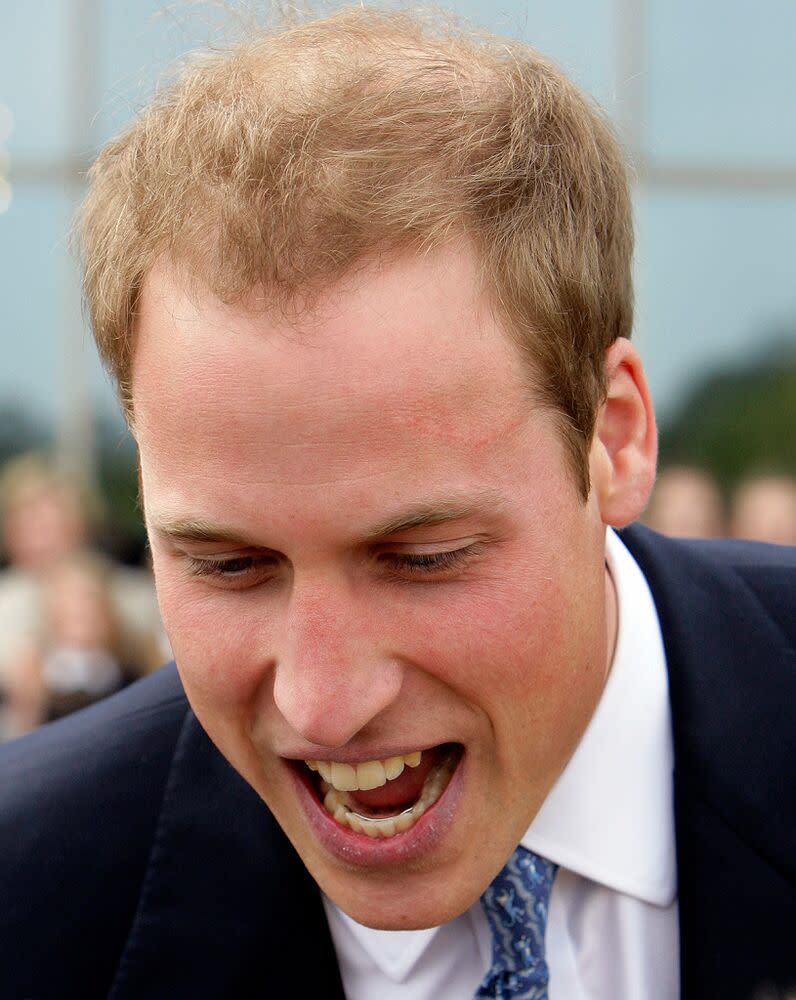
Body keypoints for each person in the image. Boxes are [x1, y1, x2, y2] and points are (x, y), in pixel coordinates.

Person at [1, 8, 794, 1000]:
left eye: (422, 557)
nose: (322, 703)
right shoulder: (27, 903)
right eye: (227, 565)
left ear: (614, 439)